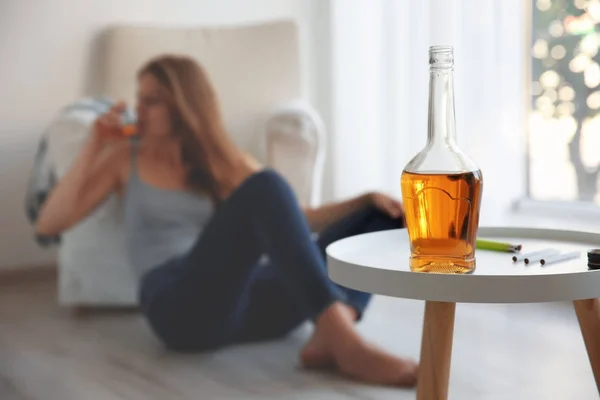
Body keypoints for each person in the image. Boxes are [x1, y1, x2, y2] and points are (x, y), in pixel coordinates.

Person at [35, 55, 418, 387]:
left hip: (244, 303)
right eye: (140, 99)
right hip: (178, 304)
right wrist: (94, 143)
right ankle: (346, 344)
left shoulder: (224, 161)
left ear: (181, 105)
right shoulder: (124, 158)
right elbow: (48, 225)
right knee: (265, 185)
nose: (139, 109)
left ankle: (332, 330)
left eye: (151, 101)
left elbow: (298, 220)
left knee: (381, 216)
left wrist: (364, 200)